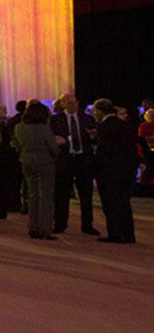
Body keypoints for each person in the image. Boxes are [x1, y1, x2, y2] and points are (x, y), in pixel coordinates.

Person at [50, 94, 99, 235]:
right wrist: (55, 139)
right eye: (69, 103)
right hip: (65, 160)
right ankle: (60, 223)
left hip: (83, 160)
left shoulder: (87, 119)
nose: (73, 105)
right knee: (62, 194)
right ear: (63, 104)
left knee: (86, 194)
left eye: (75, 102)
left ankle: (87, 224)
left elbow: (95, 139)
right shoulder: (55, 120)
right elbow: (49, 138)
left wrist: (93, 136)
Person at [92, 99, 138, 243]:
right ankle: (129, 234)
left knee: (111, 203)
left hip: (109, 171)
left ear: (99, 111)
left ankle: (115, 234)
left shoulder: (103, 127)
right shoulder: (126, 126)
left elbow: (103, 152)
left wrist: (97, 169)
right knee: (124, 203)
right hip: (127, 170)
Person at [13, 102, 60, 239]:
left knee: (32, 195)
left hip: (26, 161)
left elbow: (16, 145)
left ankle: (33, 227)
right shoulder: (44, 128)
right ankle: (45, 229)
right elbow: (53, 148)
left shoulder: (19, 127)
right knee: (46, 197)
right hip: (45, 162)